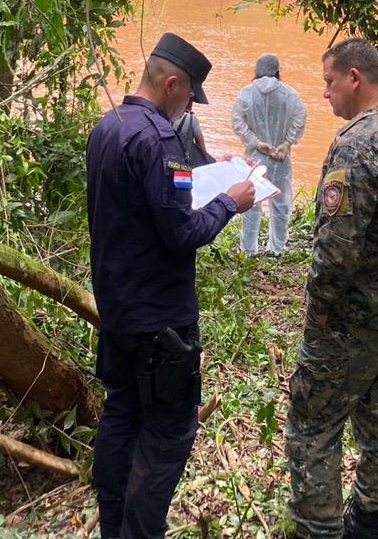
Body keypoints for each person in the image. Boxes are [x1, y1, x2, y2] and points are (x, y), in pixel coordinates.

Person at [85, 32, 257, 539]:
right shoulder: (161, 141)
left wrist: (214, 172)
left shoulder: (107, 126)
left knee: (121, 412)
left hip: (118, 311)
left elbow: (142, 207)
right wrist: (230, 202)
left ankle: (113, 526)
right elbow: (182, 233)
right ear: (172, 84)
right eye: (189, 98)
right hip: (161, 324)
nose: (190, 108)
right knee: (168, 432)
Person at [286, 37, 378, 539]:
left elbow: (337, 250)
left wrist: (319, 310)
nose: (324, 93)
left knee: (311, 426)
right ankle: (369, 521)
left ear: (354, 78)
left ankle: (317, 530)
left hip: (349, 322)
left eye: (329, 82)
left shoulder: (355, 146)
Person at [229, 53, 306, 256]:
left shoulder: (246, 93)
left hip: (255, 158)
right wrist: (286, 143)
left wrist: (256, 143)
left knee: (251, 202)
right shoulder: (289, 94)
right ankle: (276, 248)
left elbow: (237, 121)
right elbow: (300, 118)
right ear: (277, 71)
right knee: (280, 203)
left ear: (256, 71)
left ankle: (248, 250)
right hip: (280, 157)